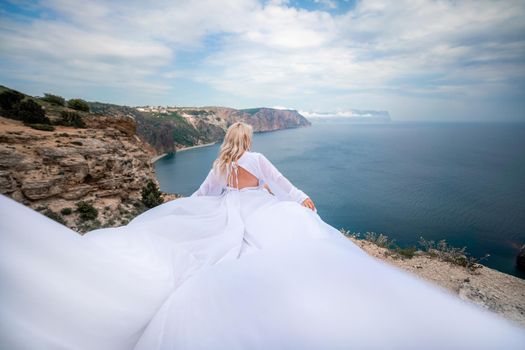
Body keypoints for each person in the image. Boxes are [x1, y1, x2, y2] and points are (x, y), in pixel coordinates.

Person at [0, 122, 524, 350]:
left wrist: (182, 214)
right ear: (247, 139)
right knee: (292, 244)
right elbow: (281, 186)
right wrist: (302, 201)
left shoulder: (222, 163)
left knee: (221, 247)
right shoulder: (256, 157)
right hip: (259, 211)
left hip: (227, 211)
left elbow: (204, 198)